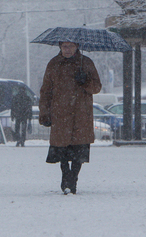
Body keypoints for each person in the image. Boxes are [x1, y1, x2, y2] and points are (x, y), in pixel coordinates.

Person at [38, 41, 102, 195]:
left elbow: (97, 87)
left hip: (81, 116)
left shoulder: (86, 63)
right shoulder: (53, 64)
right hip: (60, 115)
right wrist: (45, 113)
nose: (67, 50)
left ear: (77, 47)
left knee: (79, 152)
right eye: (64, 47)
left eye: (70, 46)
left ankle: (73, 178)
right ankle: (66, 177)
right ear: (60, 47)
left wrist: (85, 81)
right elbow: (46, 91)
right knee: (62, 152)